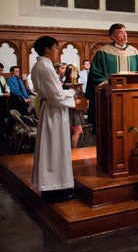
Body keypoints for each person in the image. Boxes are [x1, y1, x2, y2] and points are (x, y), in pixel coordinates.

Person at [31, 36, 81, 203]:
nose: (57, 52)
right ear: (47, 49)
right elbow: (56, 95)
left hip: (51, 110)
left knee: (53, 149)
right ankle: (56, 188)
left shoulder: (39, 65)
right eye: (56, 48)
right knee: (55, 150)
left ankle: (56, 186)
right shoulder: (45, 67)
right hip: (54, 112)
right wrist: (73, 95)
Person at [85, 23, 138, 132]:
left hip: (131, 96)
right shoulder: (103, 52)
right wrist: (105, 82)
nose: (125, 35)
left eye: (125, 32)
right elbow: (95, 73)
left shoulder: (134, 52)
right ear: (113, 36)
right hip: (110, 98)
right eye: (120, 33)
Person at [63, 64, 84, 149]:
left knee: (74, 131)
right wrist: (74, 101)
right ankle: (73, 150)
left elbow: (79, 94)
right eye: (72, 72)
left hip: (77, 110)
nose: (74, 74)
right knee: (77, 130)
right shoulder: (66, 85)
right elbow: (64, 97)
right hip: (71, 110)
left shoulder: (77, 83)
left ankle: (71, 149)